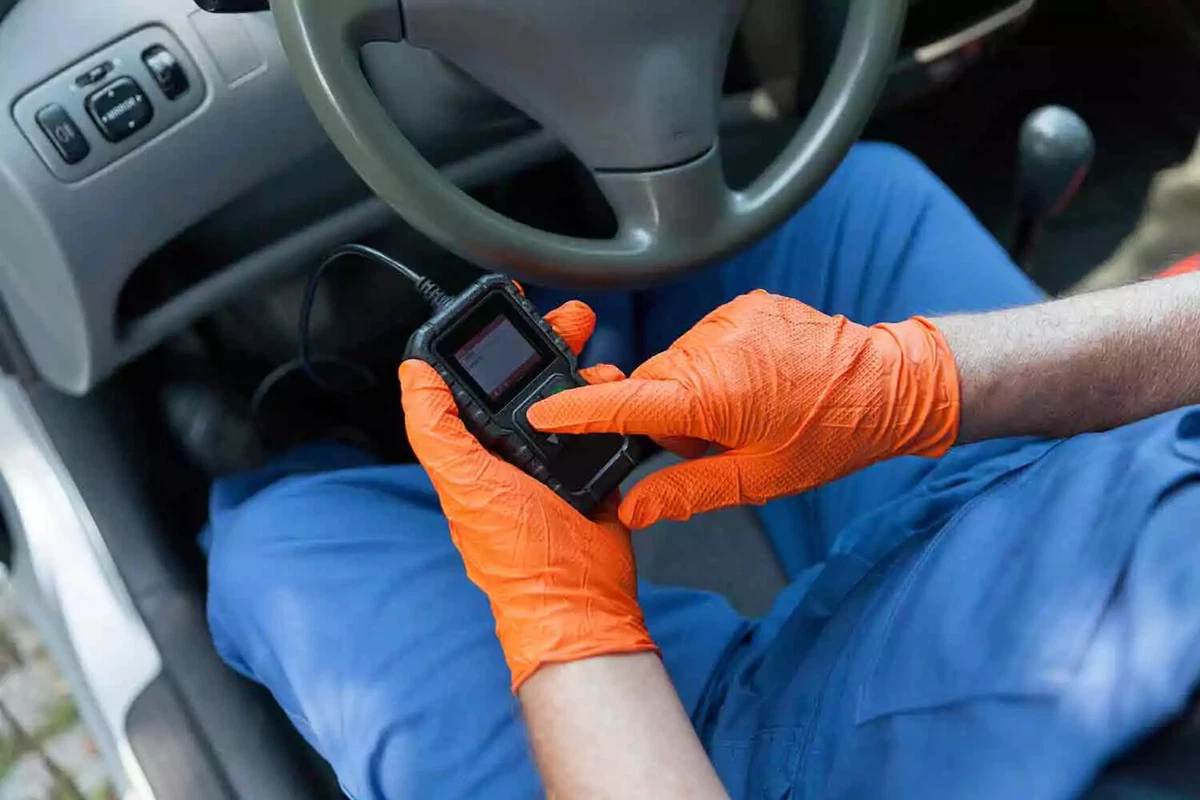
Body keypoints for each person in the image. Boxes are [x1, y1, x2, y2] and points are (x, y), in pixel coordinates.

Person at [202, 143, 1200, 800]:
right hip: (1038, 478)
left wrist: (568, 628)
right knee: (848, 199)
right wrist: (924, 377)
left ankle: (289, 437)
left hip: (745, 756)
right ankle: (589, 319)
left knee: (275, 547)